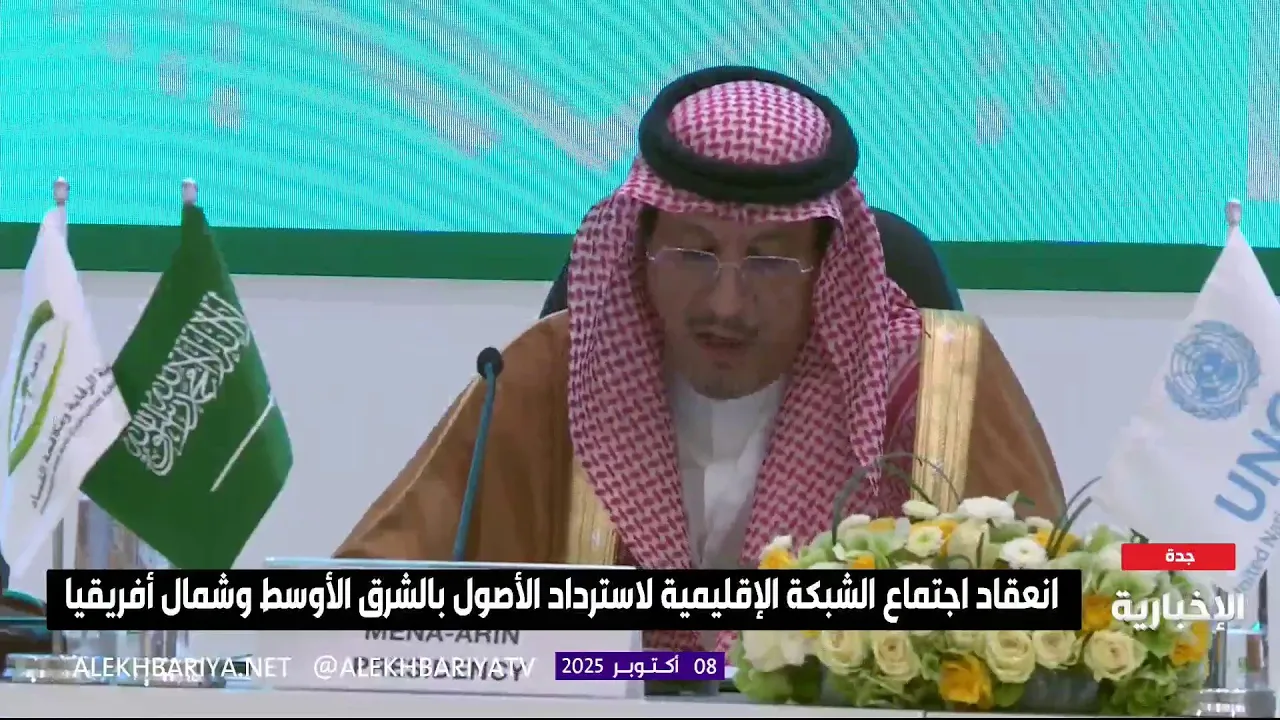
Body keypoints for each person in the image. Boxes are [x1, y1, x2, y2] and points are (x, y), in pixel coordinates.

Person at [336, 66, 1065, 651]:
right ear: (640, 247)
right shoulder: (546, 377)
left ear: (829, 265)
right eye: (692, 253)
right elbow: (362, 601)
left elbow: (1054, 620)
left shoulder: (938, 385)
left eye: (770, 261)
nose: (726, 305)